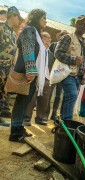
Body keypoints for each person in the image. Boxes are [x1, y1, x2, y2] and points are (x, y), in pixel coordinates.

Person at [9, 9, 47, 143]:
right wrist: (31, 71)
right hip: (27, 73)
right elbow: (27, 48)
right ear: (36, 18)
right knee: (21, 102)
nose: (46, 21)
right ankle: (15, 133)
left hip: (31, 74)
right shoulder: (29, 30)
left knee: (24, 102)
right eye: (43, 18)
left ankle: (19, 128)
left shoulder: (35, 33)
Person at [54, 15, 85, 120]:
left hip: (78, 76)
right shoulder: (67, 37)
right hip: (68, 73)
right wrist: (73, 60)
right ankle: (67, 124)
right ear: (76, 24)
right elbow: (58, 53)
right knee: (72, 95)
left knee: (68, 98)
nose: (84, 26)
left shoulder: (84, 42)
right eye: (82, 24)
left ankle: (61, 125)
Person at [23, 32, 54, 126]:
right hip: (36, 76)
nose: (46, 39)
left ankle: (39, 118)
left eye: (47, 37)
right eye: (44, 37)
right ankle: (27, 118)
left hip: (47, 79)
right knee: (32, 97)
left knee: (44, 99)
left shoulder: (51, 55)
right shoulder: (37, 50)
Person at [0, 6, 23, 125]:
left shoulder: (13, 34)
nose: (19, 21)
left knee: (2, 92)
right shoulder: (1, 27)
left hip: (7, 67)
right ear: (12, 16)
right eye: (18, 18)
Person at [48, 30, 68, 121]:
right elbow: (49, 58)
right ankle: (46, 112)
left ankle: (54, 113)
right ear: (59, 36)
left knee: (58, 95)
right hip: (52, 71)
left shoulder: (68, 49)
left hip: (60, 73)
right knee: (49, 93)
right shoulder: (53, 45)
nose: (63, 37)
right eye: (62, 35)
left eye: (65, 35)